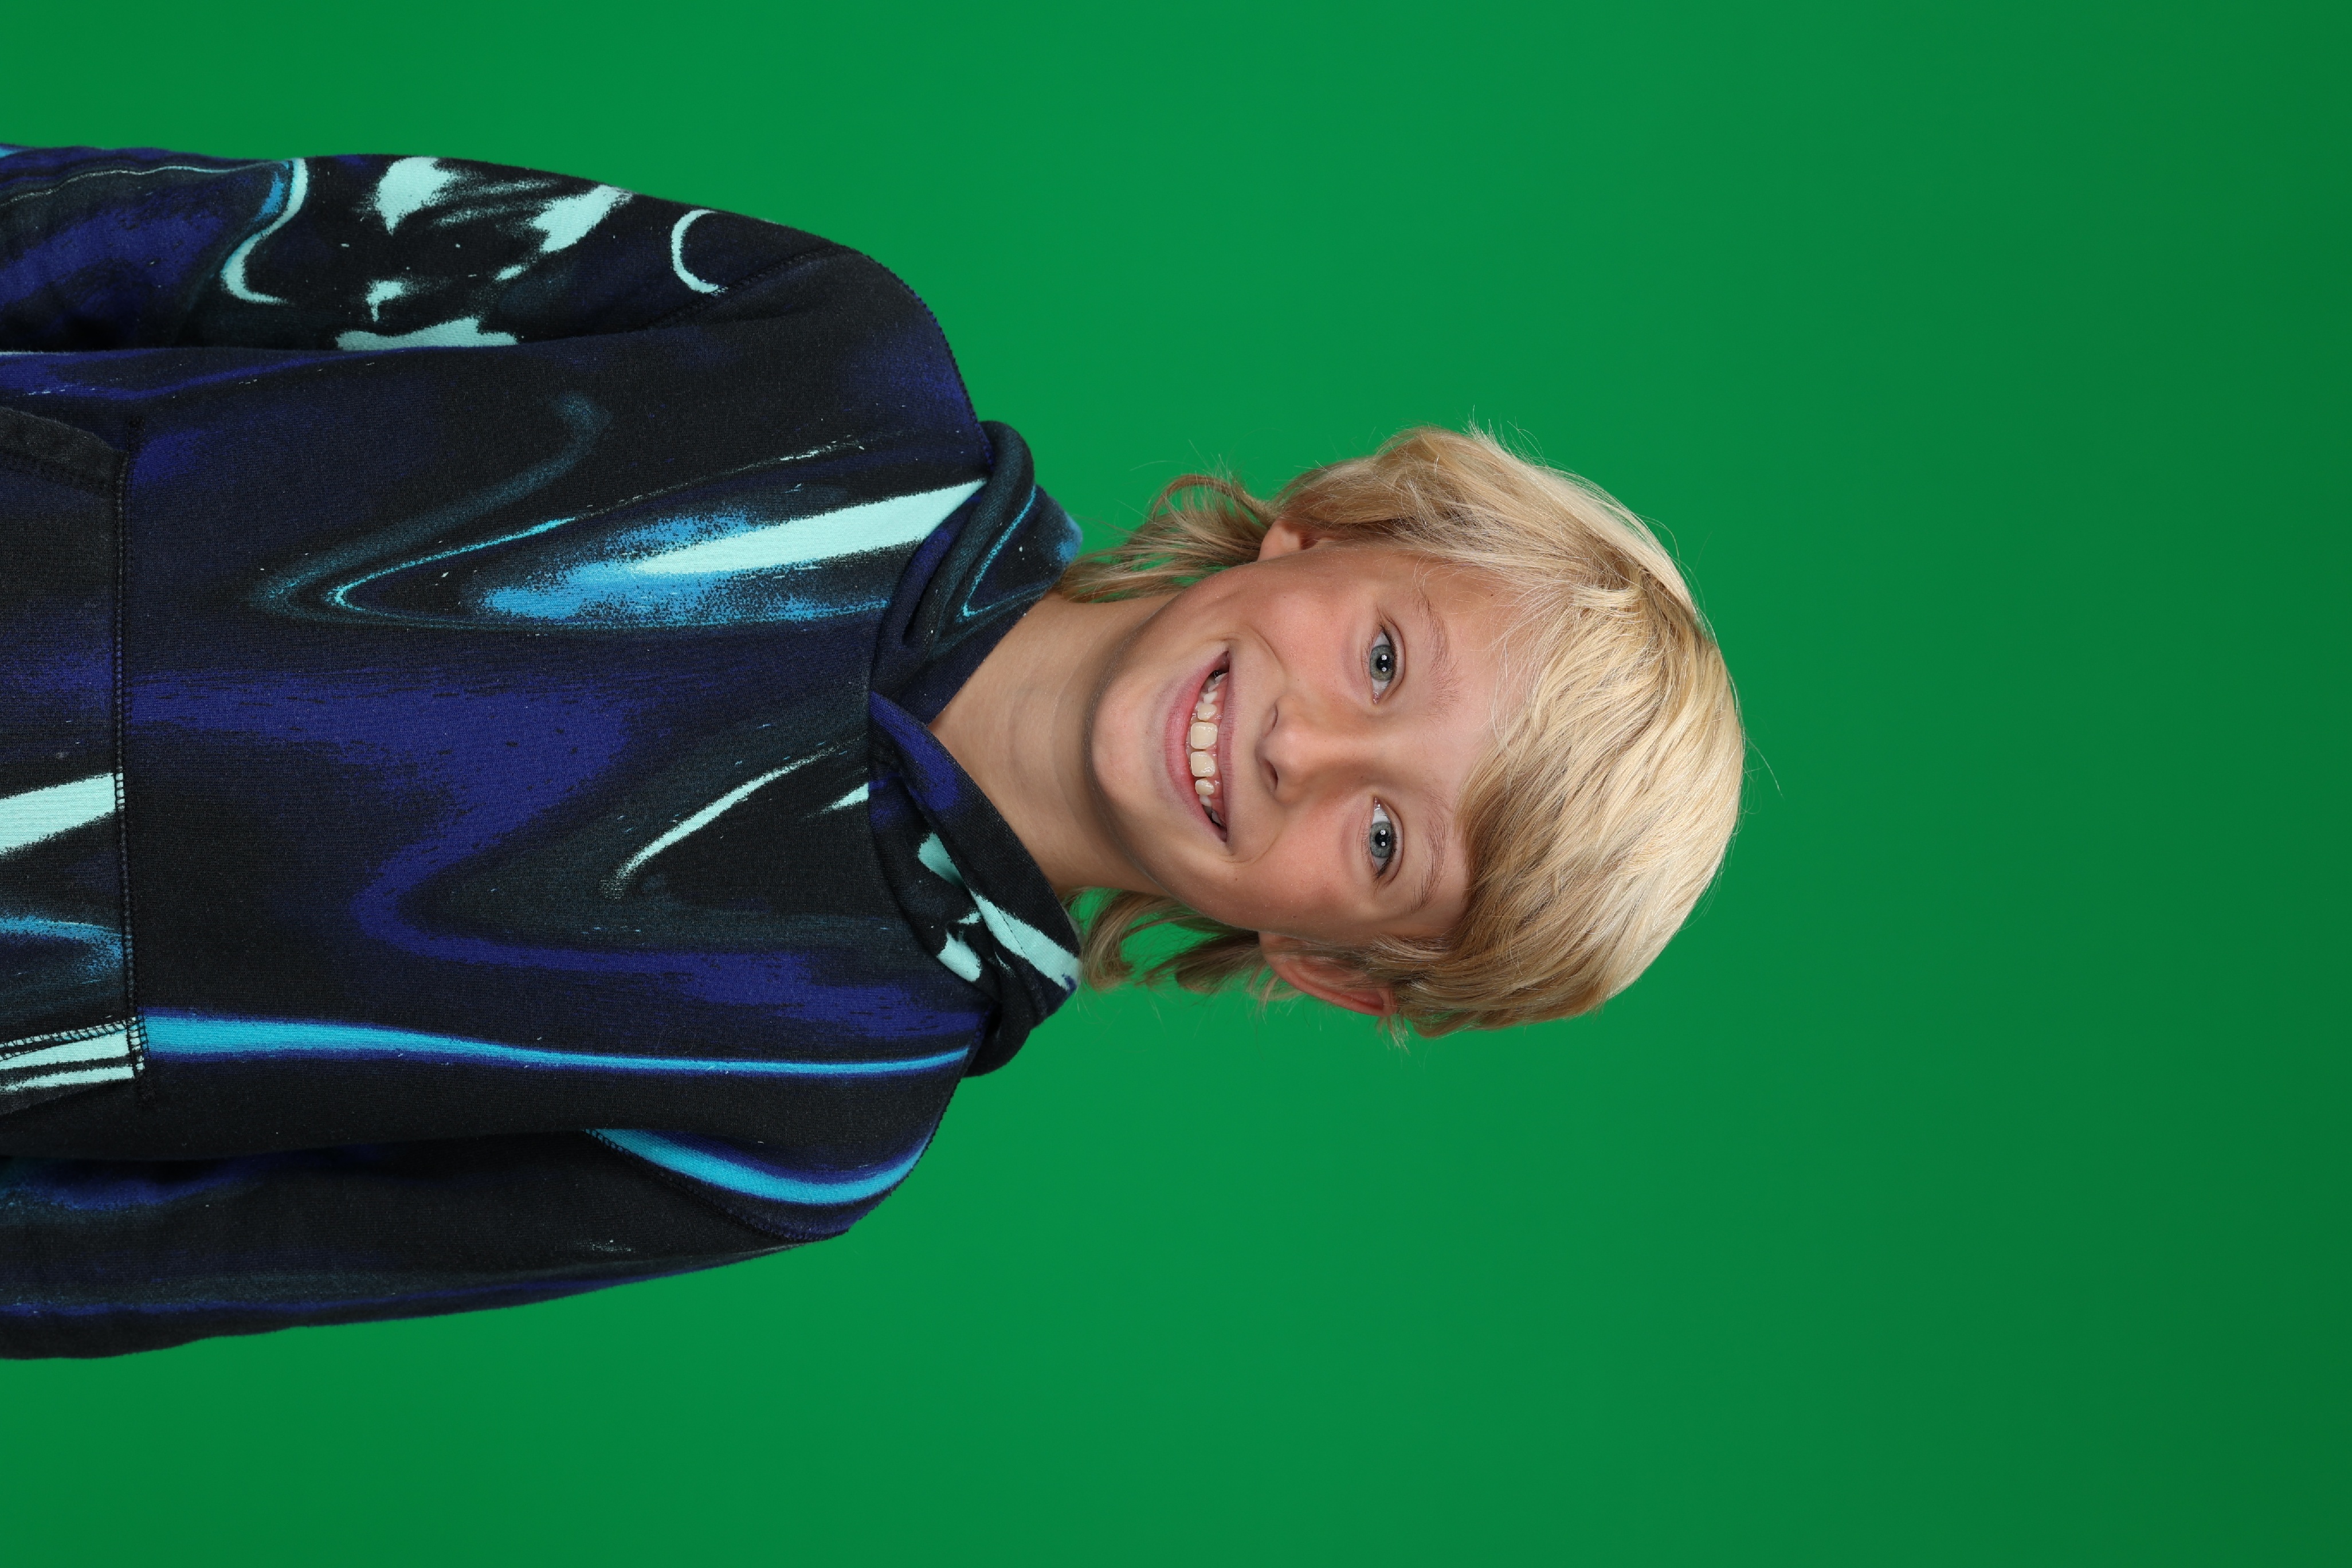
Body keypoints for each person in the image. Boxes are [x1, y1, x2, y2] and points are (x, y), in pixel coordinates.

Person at [0, 145, 1744, 1357]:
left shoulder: (816, 1124)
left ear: (1333, 965)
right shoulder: (840, 358)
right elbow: (261, 242)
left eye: (1383, 842)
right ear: (1330, 526)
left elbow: (232, 1247)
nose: (1306, 746)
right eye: (1382, 660)